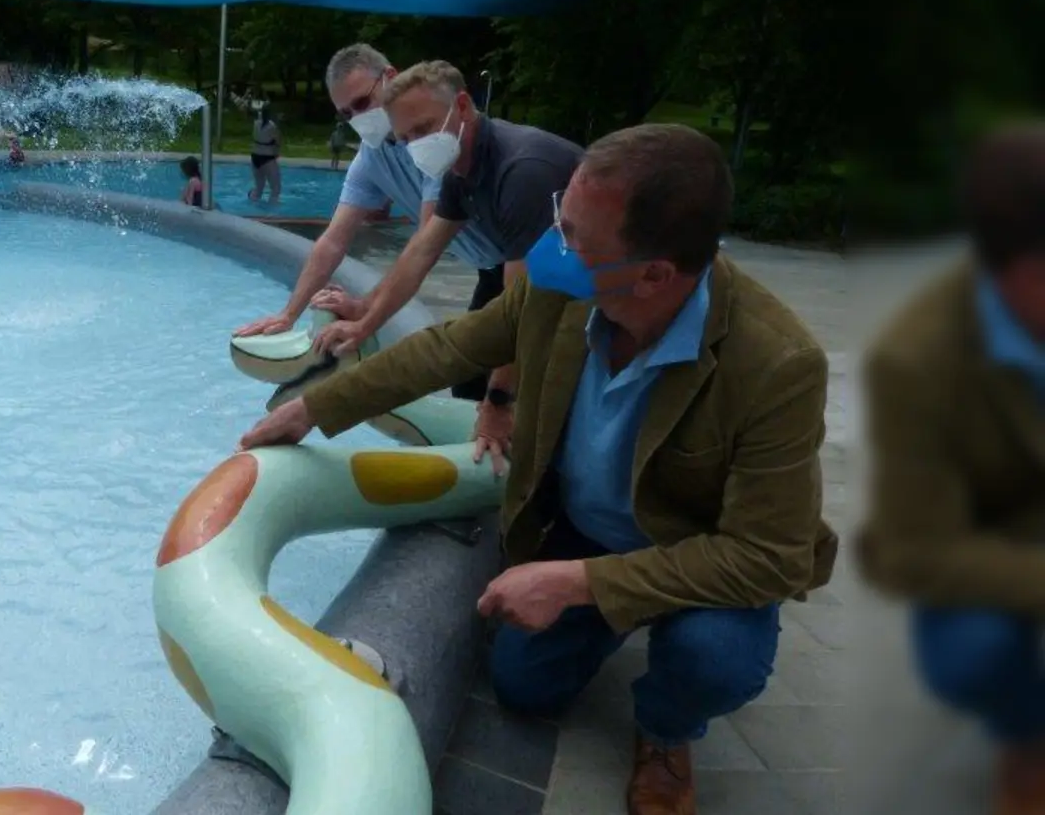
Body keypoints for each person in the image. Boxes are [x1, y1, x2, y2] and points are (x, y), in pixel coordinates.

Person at [237, 123, 836, 815]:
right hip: (588, 532)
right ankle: (610, 619)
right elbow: (448, 348)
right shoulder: (562, 287)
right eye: (561, 215)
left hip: (695, 552)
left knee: (715, 659)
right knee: (523, 686)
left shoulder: (777, 364)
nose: (553, 244)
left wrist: (579, 583)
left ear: (654, 276)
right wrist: (314, 408)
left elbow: (772, 556)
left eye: (576, 234)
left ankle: (667, 731)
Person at [857, 123, 1045, 814]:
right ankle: (1026, 741)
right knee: (975, 652)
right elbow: (917, 553)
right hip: (984, 552)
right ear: (1025, 273)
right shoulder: (918, 359)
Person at [314, 59, 583, 406]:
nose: (417, 146)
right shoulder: (459, 171)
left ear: (463, 106)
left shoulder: (521, 173)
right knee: (468, 381)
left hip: (603, 292)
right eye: (406, 138)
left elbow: (523, 310)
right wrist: (364, 325)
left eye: (424, 129)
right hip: (540, 281)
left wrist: (499, 400)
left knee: (536, 397)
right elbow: (421, 252)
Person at [234, 43, 447, 341]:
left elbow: (426, 246)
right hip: (492, 260)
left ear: (390, 78)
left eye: (362, 103)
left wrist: (364, 312)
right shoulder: (372, 156)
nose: (358, 119)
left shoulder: (435, 139)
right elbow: (333, 241)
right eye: (347, 114)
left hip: (516, 256)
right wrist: (288, 314)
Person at [248, 103, 282, 205]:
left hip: (255, 156)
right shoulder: (272, 126)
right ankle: (272, 211)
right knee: (276, 188)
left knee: (259, 187)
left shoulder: (256, 123)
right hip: (267, 157)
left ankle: (253, 206)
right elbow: (278, 141)